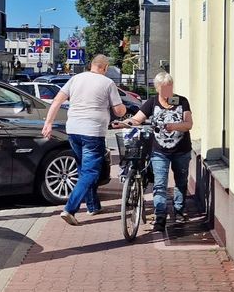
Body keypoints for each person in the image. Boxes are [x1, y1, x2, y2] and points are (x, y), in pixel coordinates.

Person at [42, 54, 126, 225]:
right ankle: (69, 209)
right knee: (90, 172)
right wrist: (123, 108)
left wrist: (48, 123)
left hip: (73, 130)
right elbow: (119, 111)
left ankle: (93, 206)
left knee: (84, 170)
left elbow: (57, 100)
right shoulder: (107, 83)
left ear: (92, 65)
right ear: (105, 67)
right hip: (93, 132)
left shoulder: (75, 79)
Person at [114, 71, 193, 232]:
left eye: (169, 88)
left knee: (181, 182)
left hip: (181, 149)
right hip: (159, 151)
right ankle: (160, 217)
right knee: (159, 184)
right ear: (157, 88)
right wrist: (124, 123)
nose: (166, 93)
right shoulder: (152, 103)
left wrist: (174, 126)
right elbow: (137, 119)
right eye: (163, 89)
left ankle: (179, 210)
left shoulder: (181, 101)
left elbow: (188, 124)